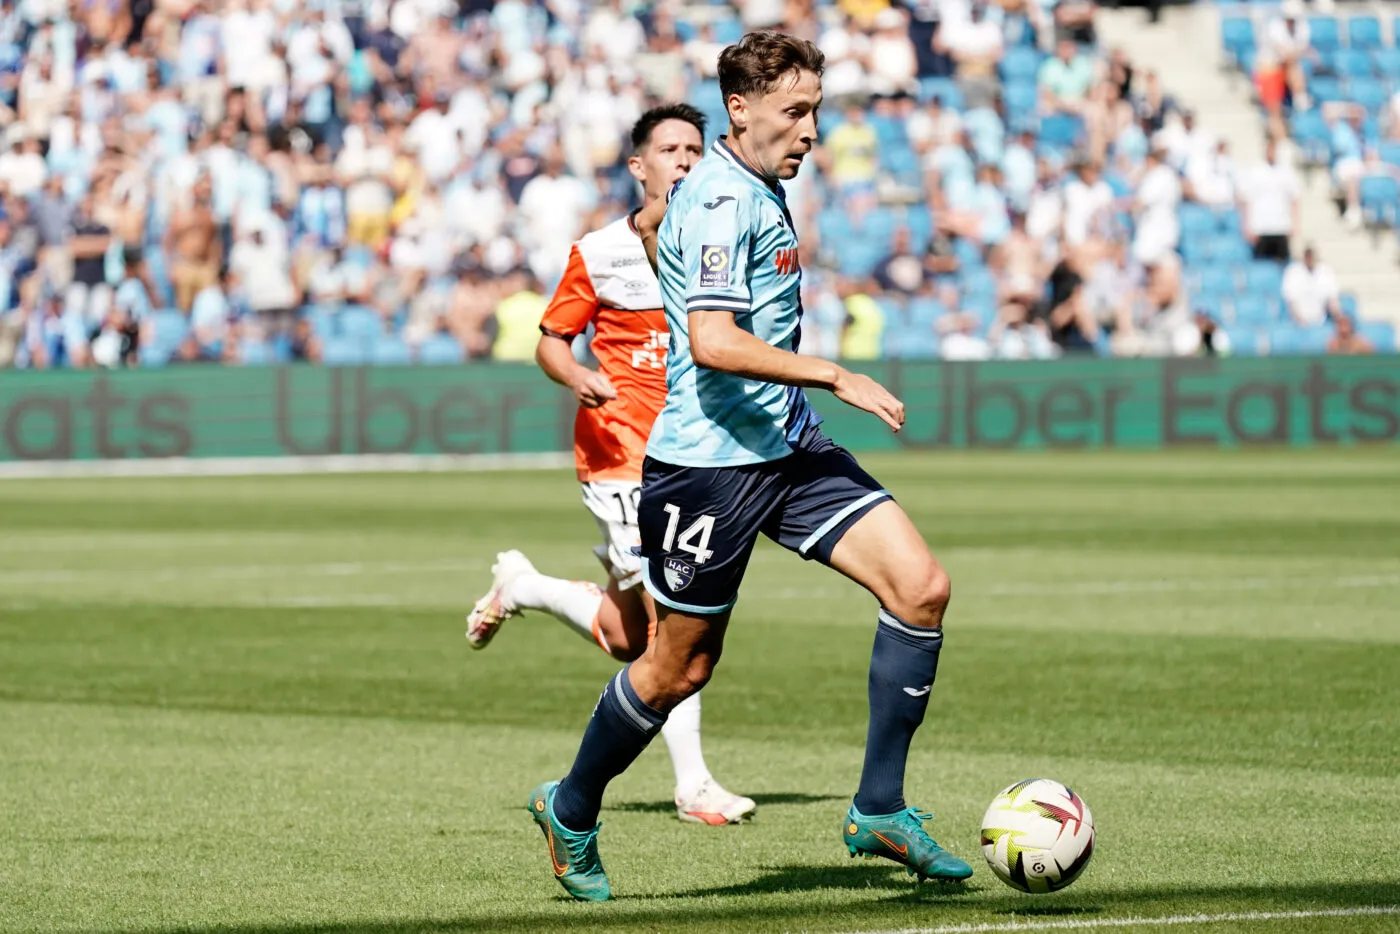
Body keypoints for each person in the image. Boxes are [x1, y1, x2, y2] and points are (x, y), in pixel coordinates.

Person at [527, 30, 973, 902]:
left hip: (788, 447)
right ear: (741, 108)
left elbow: (677, 258)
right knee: (678, 668)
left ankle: (879, 806)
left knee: (920, 589)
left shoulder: (751, 186)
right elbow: (713, 340)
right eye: (795, 112)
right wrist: (834, 371)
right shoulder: (727, 201)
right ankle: (572, 804)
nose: (812, 131)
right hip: (707, 469)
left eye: (817, 111)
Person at [466, 104, 756, 828]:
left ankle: (522, 585)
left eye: (695, 147)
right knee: (672, 623)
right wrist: (576, 375)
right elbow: (551, 340)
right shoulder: (597, 251)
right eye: (670, 149)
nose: (685, 160)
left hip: (692, 452)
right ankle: (693, 785)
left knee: (630, 637)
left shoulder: (719, 242)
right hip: (620, 452)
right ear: (640, 166)